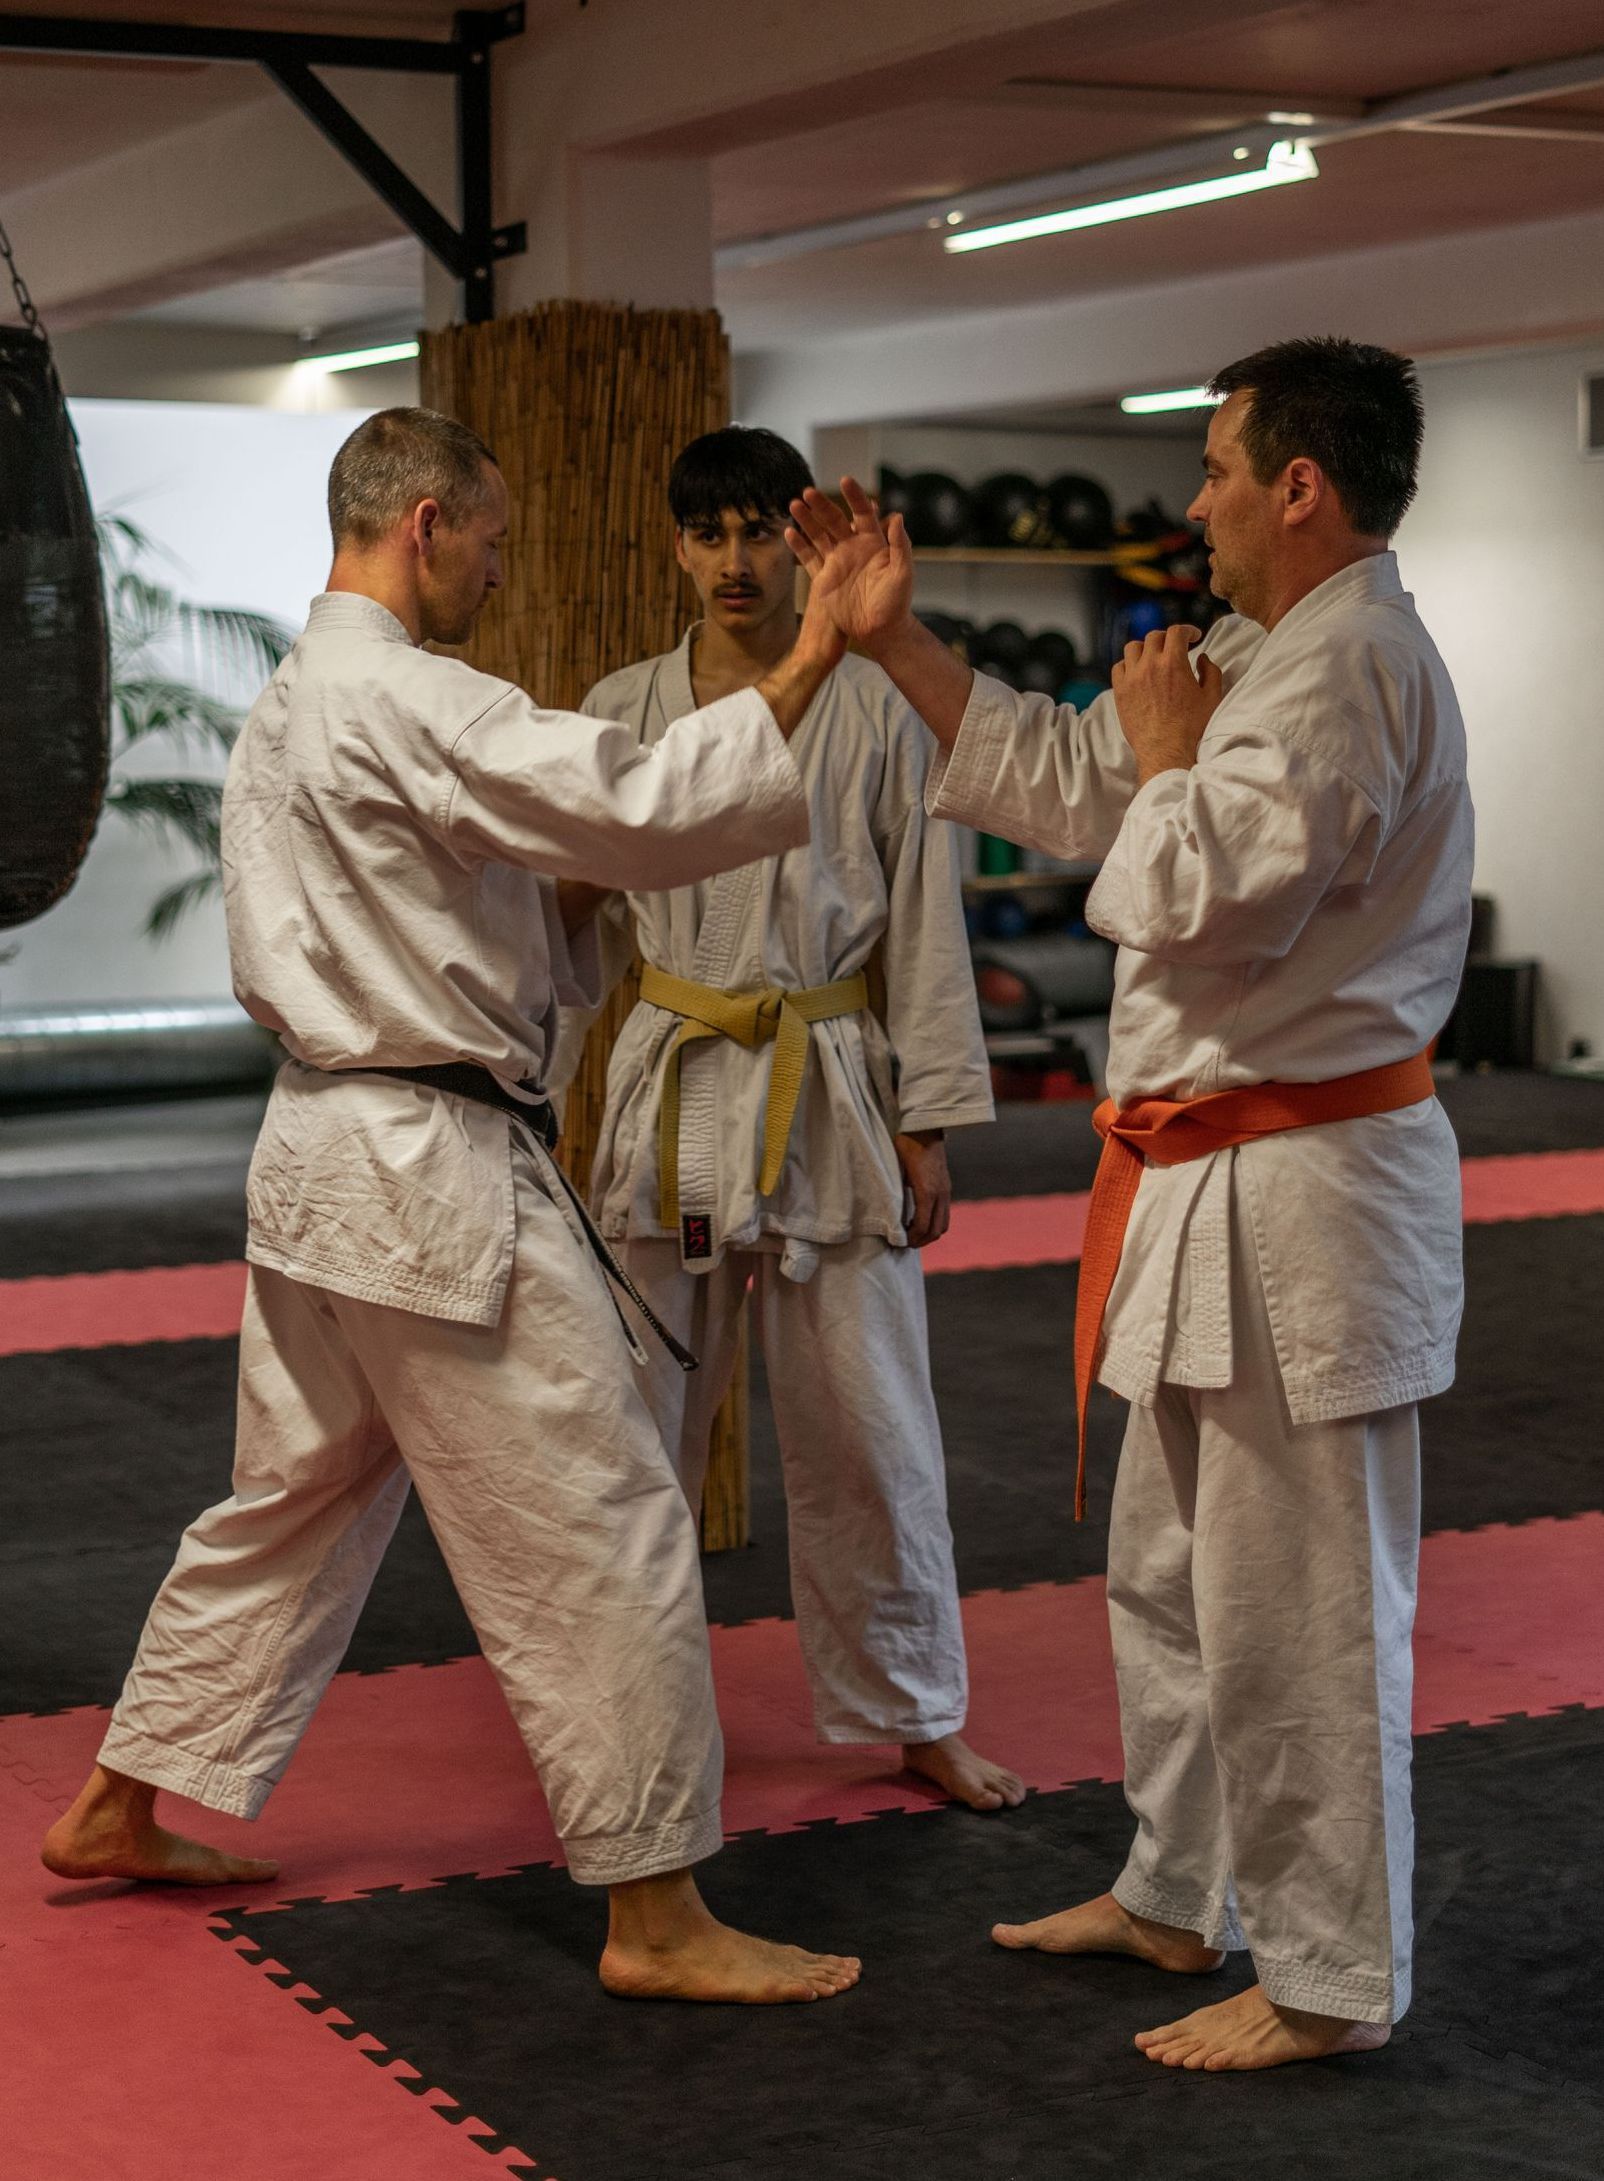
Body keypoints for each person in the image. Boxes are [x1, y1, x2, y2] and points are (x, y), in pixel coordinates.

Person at [42, 406, 861, 2008]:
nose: (497, 567)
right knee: (607, 1511)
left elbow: (470, 891)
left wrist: (566, 887)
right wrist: (819, 648)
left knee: (296, 1500)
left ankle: (118, 1798)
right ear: (423, 523)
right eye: (488, 538)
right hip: (426, 1181)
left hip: (321, 1163)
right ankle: (655, 1910)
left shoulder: (288, 708)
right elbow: (636, 796)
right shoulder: (407, 691)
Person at [786, 338, 1472, 2069]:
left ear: (1300, 488)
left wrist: (1167, 760)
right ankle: (1182, 1889)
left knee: (1303, 1606)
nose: (1198, 504)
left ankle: (1330, 1979)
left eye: (1223, 470)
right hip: (1204, 1177)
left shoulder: (1351, 671)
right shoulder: (1260, 650)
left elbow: (1200, 901)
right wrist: (895, 641)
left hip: (1306, 1188)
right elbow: (1072, 782)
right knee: (1169, 1576)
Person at [564, 426, 1022, 1813]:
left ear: (802, 545)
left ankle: (915, 1707)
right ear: (676, 544)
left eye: (763, 531)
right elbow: (570, 912)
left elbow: (927, 919)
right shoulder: (623, 704)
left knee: (871, 1423)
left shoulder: (877, 707)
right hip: (674, 1075)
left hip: (827, 1074)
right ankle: (617, 1712)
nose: (734, 561)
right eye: (707, 533)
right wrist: (530, 1092)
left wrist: (928, 1116)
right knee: (633, 1421)